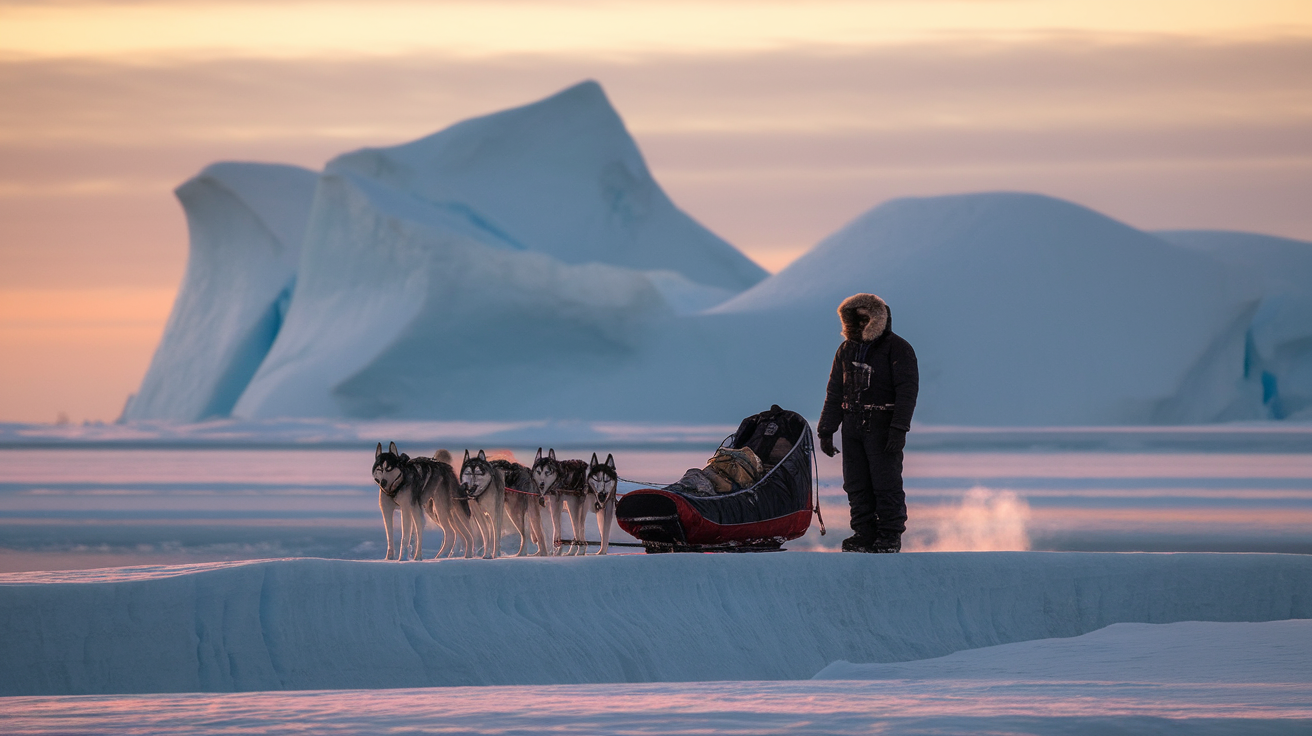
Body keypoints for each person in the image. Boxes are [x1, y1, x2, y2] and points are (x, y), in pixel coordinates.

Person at [817, 293, 918, 553]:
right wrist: (827, 430)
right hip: (852, 425)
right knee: (855, 482)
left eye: (867, 318)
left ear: (879, 319)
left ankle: (889, 536)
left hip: (882, 425)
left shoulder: (898, 348)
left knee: (886, 482)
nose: (861, 324)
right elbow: (835, 391)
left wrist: (898, 428)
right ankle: (864, 533)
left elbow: (907, 392)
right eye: (856, 319)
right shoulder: (846, 350)